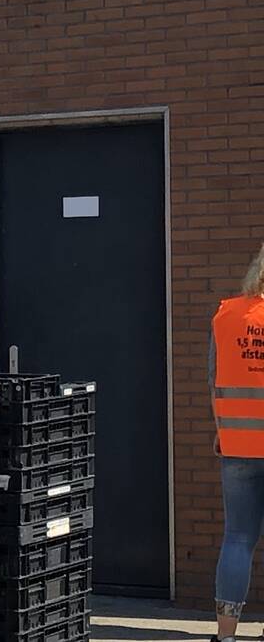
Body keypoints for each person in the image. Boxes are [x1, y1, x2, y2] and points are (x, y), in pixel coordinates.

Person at [210, 243, 264, 642]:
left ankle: (226, 635)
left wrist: (221, 430)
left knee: (238, 538)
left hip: (237, 445)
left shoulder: (226, 315)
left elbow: (214, 380)